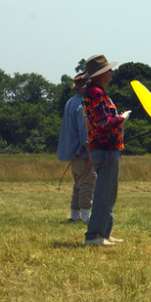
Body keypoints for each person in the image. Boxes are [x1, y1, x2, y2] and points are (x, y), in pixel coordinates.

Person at [82, 55, 130, 247]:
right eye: (109, 70)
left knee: (109, 193)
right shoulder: (96, 93)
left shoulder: (93, 92)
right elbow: (104, 123)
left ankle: (104, 234)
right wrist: (122, 118)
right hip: (106, 149)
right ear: (101, 74)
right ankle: (94, 235)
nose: (111, 72)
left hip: (104, 149)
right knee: (104, 193)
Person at [56, 73, 95, 222]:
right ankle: (86, 217)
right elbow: (84, 131)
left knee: (78, 184)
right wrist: (90, 152)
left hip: (73, 152)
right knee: (87, 182)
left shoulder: (71, 102)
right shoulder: (83, 105)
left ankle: (74, 215)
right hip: (83, 152)